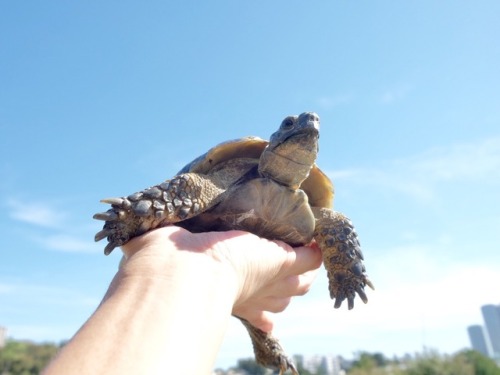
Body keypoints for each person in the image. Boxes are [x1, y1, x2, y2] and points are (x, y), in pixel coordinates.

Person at [43, 226, 322, 375]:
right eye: (289, 125)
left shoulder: (309, 208)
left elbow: (330, 224)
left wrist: (347, 272)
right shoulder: (221, 179)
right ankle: (262, 336)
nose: (308, 127)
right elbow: (193, 184)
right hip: (193, 239)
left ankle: (263, 338)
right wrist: (208, 266)